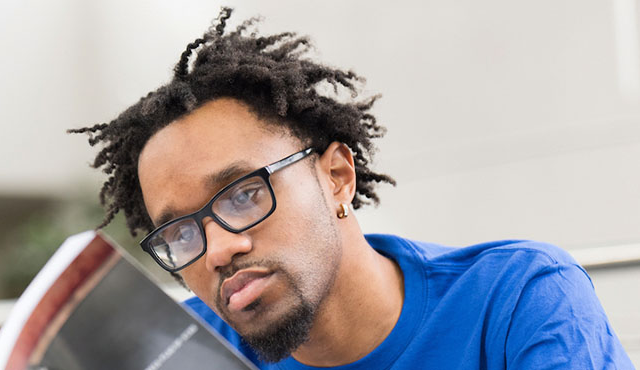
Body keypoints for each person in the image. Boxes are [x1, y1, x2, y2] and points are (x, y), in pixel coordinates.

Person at [70, 7, 633, 369]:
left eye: (242, 194)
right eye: (180, 232)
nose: (216, 250)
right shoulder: (189, 354)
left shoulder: (516, 299)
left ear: (337, 176)